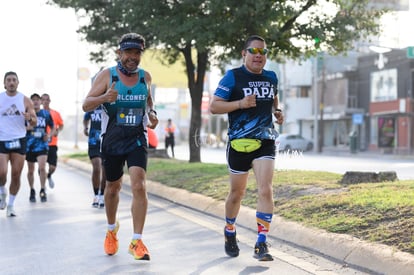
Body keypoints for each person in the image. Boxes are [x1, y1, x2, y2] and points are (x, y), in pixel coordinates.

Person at [82, 33, 158, 261]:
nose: (133, 57)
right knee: (113, 188)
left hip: (136, 138)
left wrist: (152, 114)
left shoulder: (146, 77)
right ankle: (111, 230)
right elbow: (86, 104)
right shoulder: (108, 75)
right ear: (119, 53)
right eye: (129, 53)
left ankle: (137, 241)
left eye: (137, 53)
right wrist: (104, 97)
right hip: (112, 140)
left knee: (139, 185)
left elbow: (148, 101)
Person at [209, 35, 284, 261]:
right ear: (244, 54)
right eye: (254, 51)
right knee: (237, 194)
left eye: (263, 52)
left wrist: (277, 111)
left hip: (265, 141)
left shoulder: (271, 77)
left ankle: (261, 243)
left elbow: (273, 98)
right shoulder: (233, 77)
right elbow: (214, 106)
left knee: (265, 189)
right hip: (239, 143)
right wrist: (240, 104)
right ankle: (230, 230)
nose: (258, 56)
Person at [0, 72, 37, 216]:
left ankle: (10, 205)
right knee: (2, 172)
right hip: (2, 139)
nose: (11, 82)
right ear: (4, 83)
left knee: (16, 174)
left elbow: (35, 121)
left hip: (19, 139)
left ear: (17, 82)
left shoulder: (25, 100)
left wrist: (30, 118)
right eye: (8, 80)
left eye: (14, 80)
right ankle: (2, 192)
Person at [26, 93, 55, 203]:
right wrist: (28, 127)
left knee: (42, 168)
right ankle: (32, 190)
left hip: (42, 145)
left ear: (41, 102)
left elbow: (53, 127)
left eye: (37, 100)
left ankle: (43, 189)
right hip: (30, 146)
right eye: (33, 100)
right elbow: (19, 127)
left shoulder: (45, 114)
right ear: (30, 102)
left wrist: (49, 135)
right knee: (30, 170)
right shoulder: (27, 114)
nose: (36, 102)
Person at [83, 105, 106, 208]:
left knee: (105, 170)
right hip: (93, 141)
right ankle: (96, 195)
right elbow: (86, 118)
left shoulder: (108, 104)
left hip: (106, 141)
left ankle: (102, 195)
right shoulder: (92, 104)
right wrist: (86, 127)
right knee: (96, 168)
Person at [41, 93, 64, 189]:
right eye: (43, 99)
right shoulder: (38, 113)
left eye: (47, 99)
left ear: (49, 101)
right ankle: (43, 186)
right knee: (41, 168)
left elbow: (61, 124)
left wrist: (58, 130)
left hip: (52, 143)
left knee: (52, 167)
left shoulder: (55, 113)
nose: (45, 101)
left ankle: (49, 175)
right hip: (41, 143)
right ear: (41, 101)